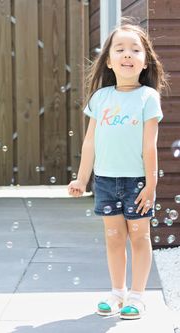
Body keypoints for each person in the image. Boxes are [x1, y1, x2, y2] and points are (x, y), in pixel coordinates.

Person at [67, 19, 168, 320]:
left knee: (139, 237)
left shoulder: (148, 98)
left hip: (137, 181)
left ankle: (138, 296)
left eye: (135, 49)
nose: (127, 54)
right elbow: (89, 143)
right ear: (108, 61)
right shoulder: (101, 99)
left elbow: (150, 147)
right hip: (106, 181)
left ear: (145, 60)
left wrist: (150, 186)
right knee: (113, 237)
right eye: (120, 49)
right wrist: (82, 179)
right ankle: (117, 293)